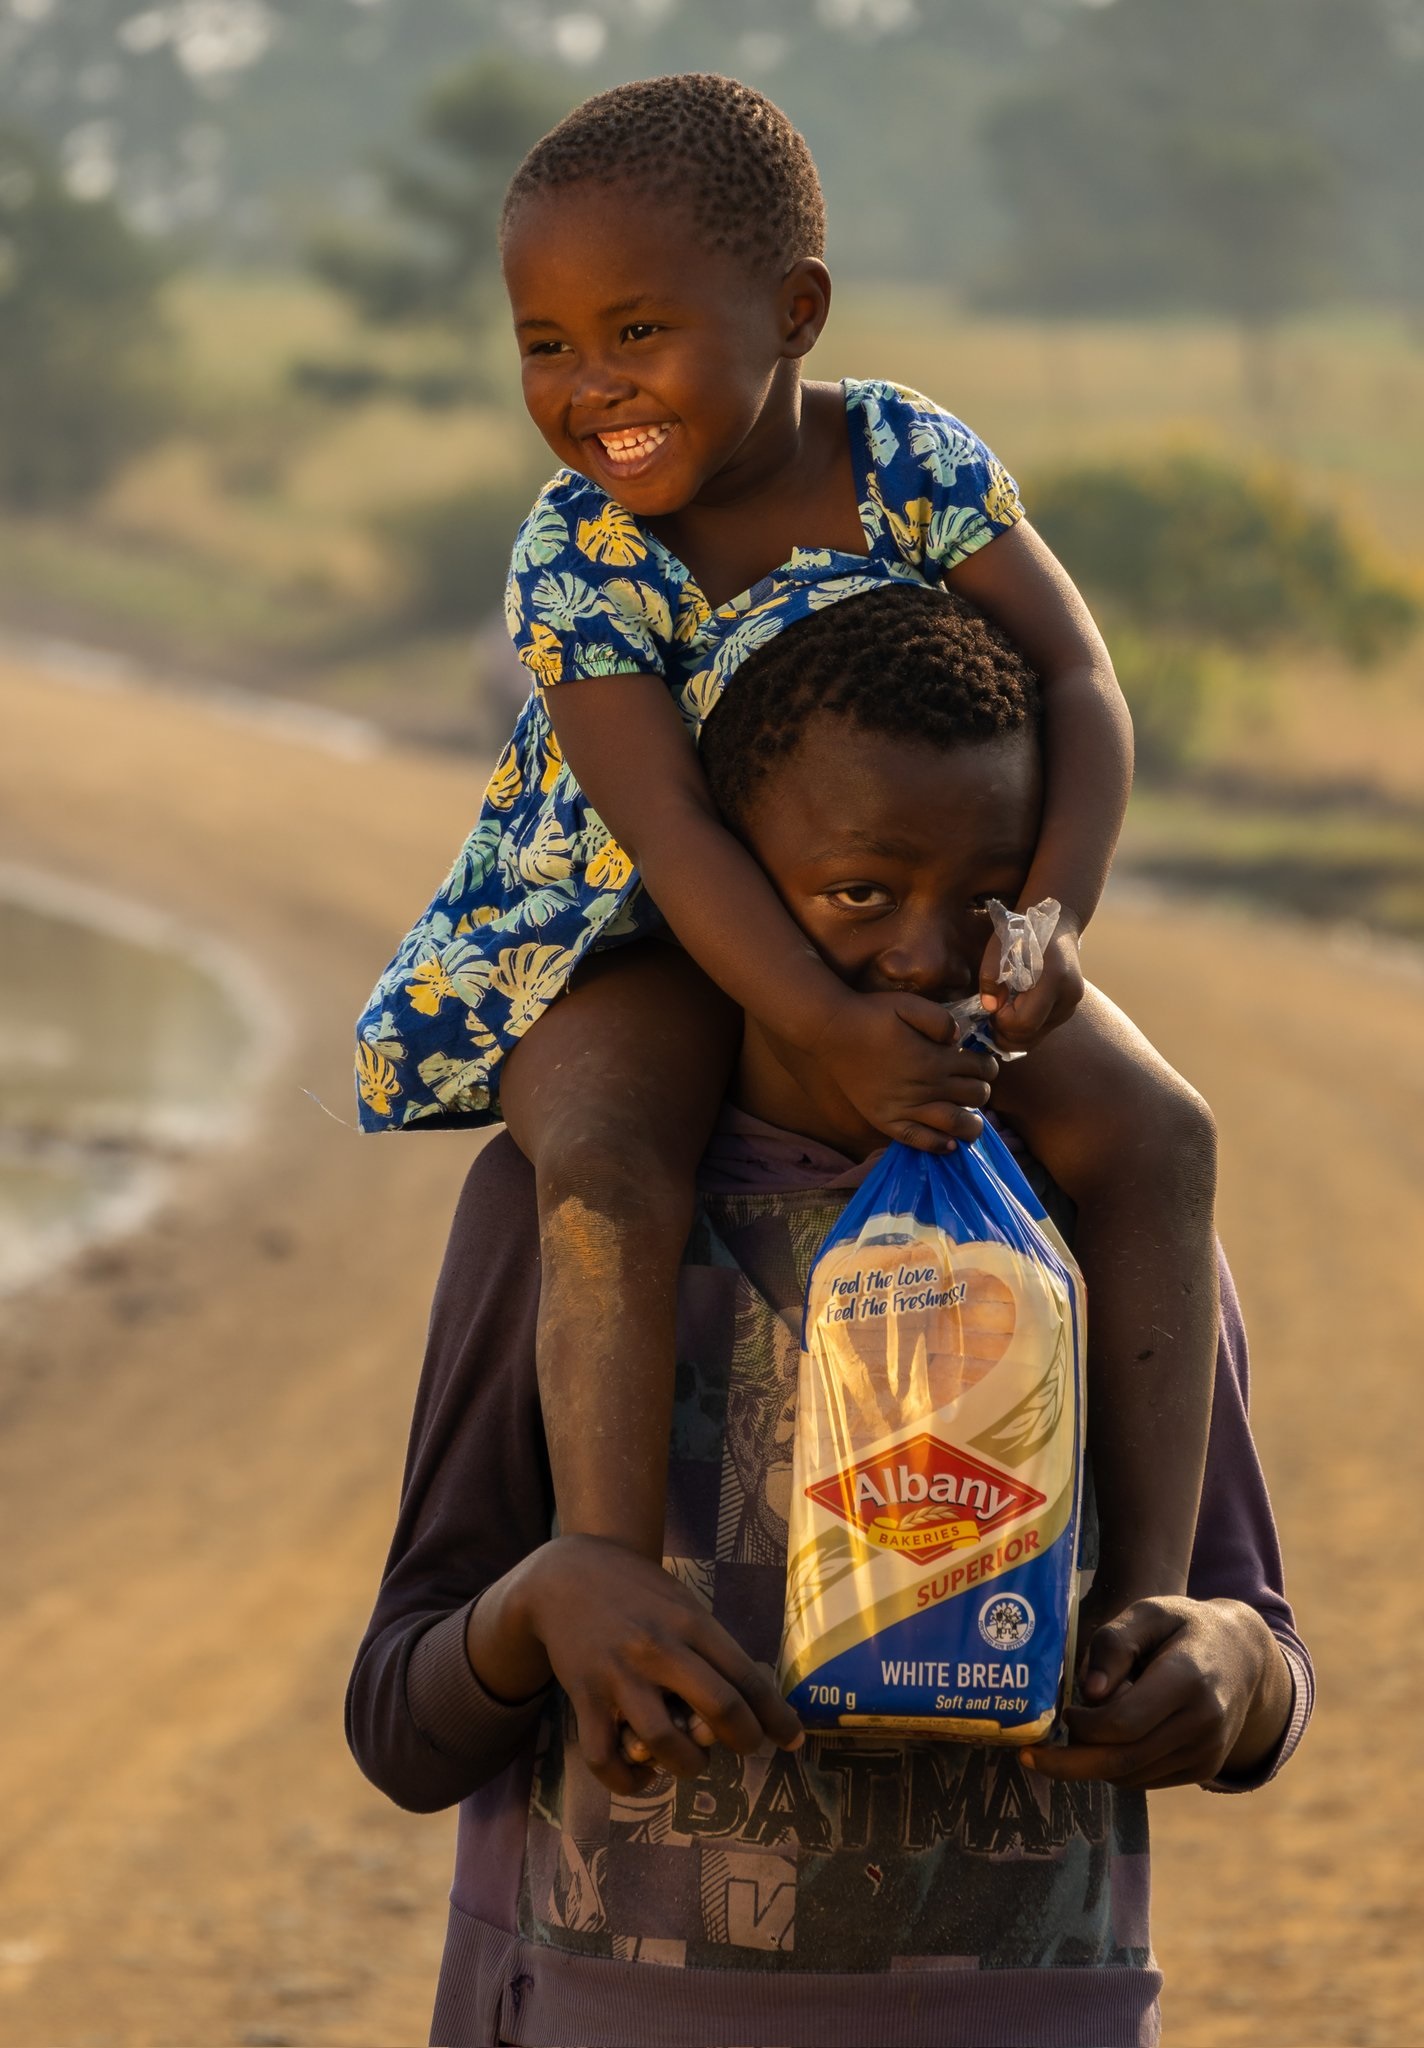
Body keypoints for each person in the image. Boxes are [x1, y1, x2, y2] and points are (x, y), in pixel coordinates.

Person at [348, 589, 1311, 2048]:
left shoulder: (1092, 1226)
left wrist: (1226, 1674)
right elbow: (401, 1723)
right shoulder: (565, 1213)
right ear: (721, 897)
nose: (930, 958)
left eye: (988, 901)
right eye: (858, 892)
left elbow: (1257, 1654)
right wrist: (541, 1607)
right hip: (608, 2007)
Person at [354, 74, 1217, 1687]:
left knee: (1159, 1132)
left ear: (794, 312)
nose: (591, 387)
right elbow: (671, 834)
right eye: (546, 344)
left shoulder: (908, 459)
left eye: (637, 332)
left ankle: (1149, 1601)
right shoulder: (581, 552)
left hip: (886, 905)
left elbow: (1080, 680)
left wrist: (1048, 923)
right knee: (607, 1158)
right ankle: (612, 1574)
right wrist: (822, 1023)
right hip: (630, 928)